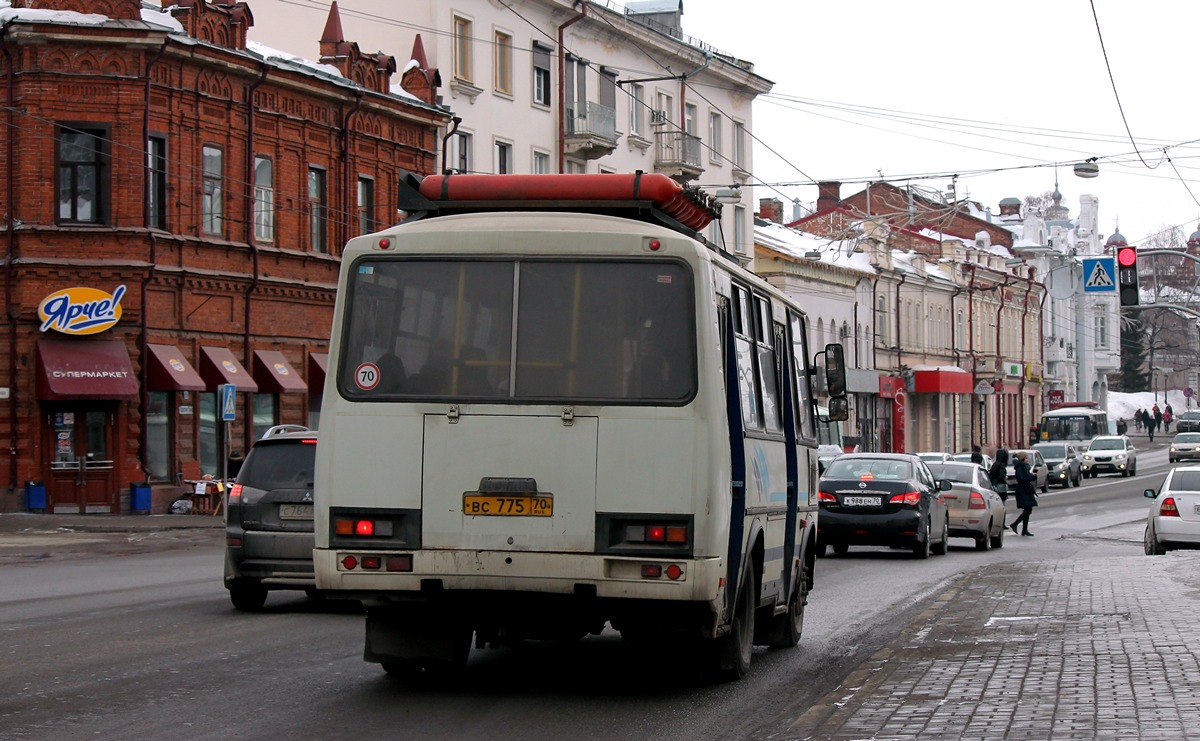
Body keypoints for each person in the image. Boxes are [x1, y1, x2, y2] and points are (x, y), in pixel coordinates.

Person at [1010, 450, 1038, 536]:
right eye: (1026, 458)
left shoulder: (1024, 466)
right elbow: (1021, 479)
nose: (1028, 459)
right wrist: (1031, 476)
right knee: (1028, 509)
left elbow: (1025, 477)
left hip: (1026, 489)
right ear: (1023, 459)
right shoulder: (1020, 467)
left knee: (1028, 509)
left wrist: (1032, 476)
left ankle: (1024, 530)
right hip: (1023, 490)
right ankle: (1015, 524)